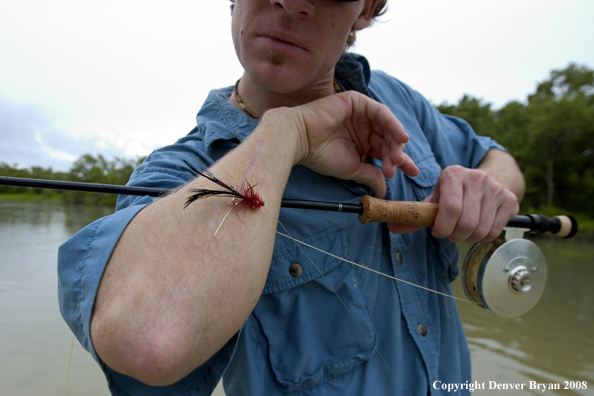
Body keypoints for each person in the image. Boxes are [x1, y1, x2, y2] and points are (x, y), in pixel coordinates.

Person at [58, 0, 525, 395]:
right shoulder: (176, 177)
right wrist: (286, 132)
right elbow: (148, 341)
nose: (292, 1)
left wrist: (488, 188)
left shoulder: (398, 100)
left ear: (364, 9)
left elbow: (498, 160)